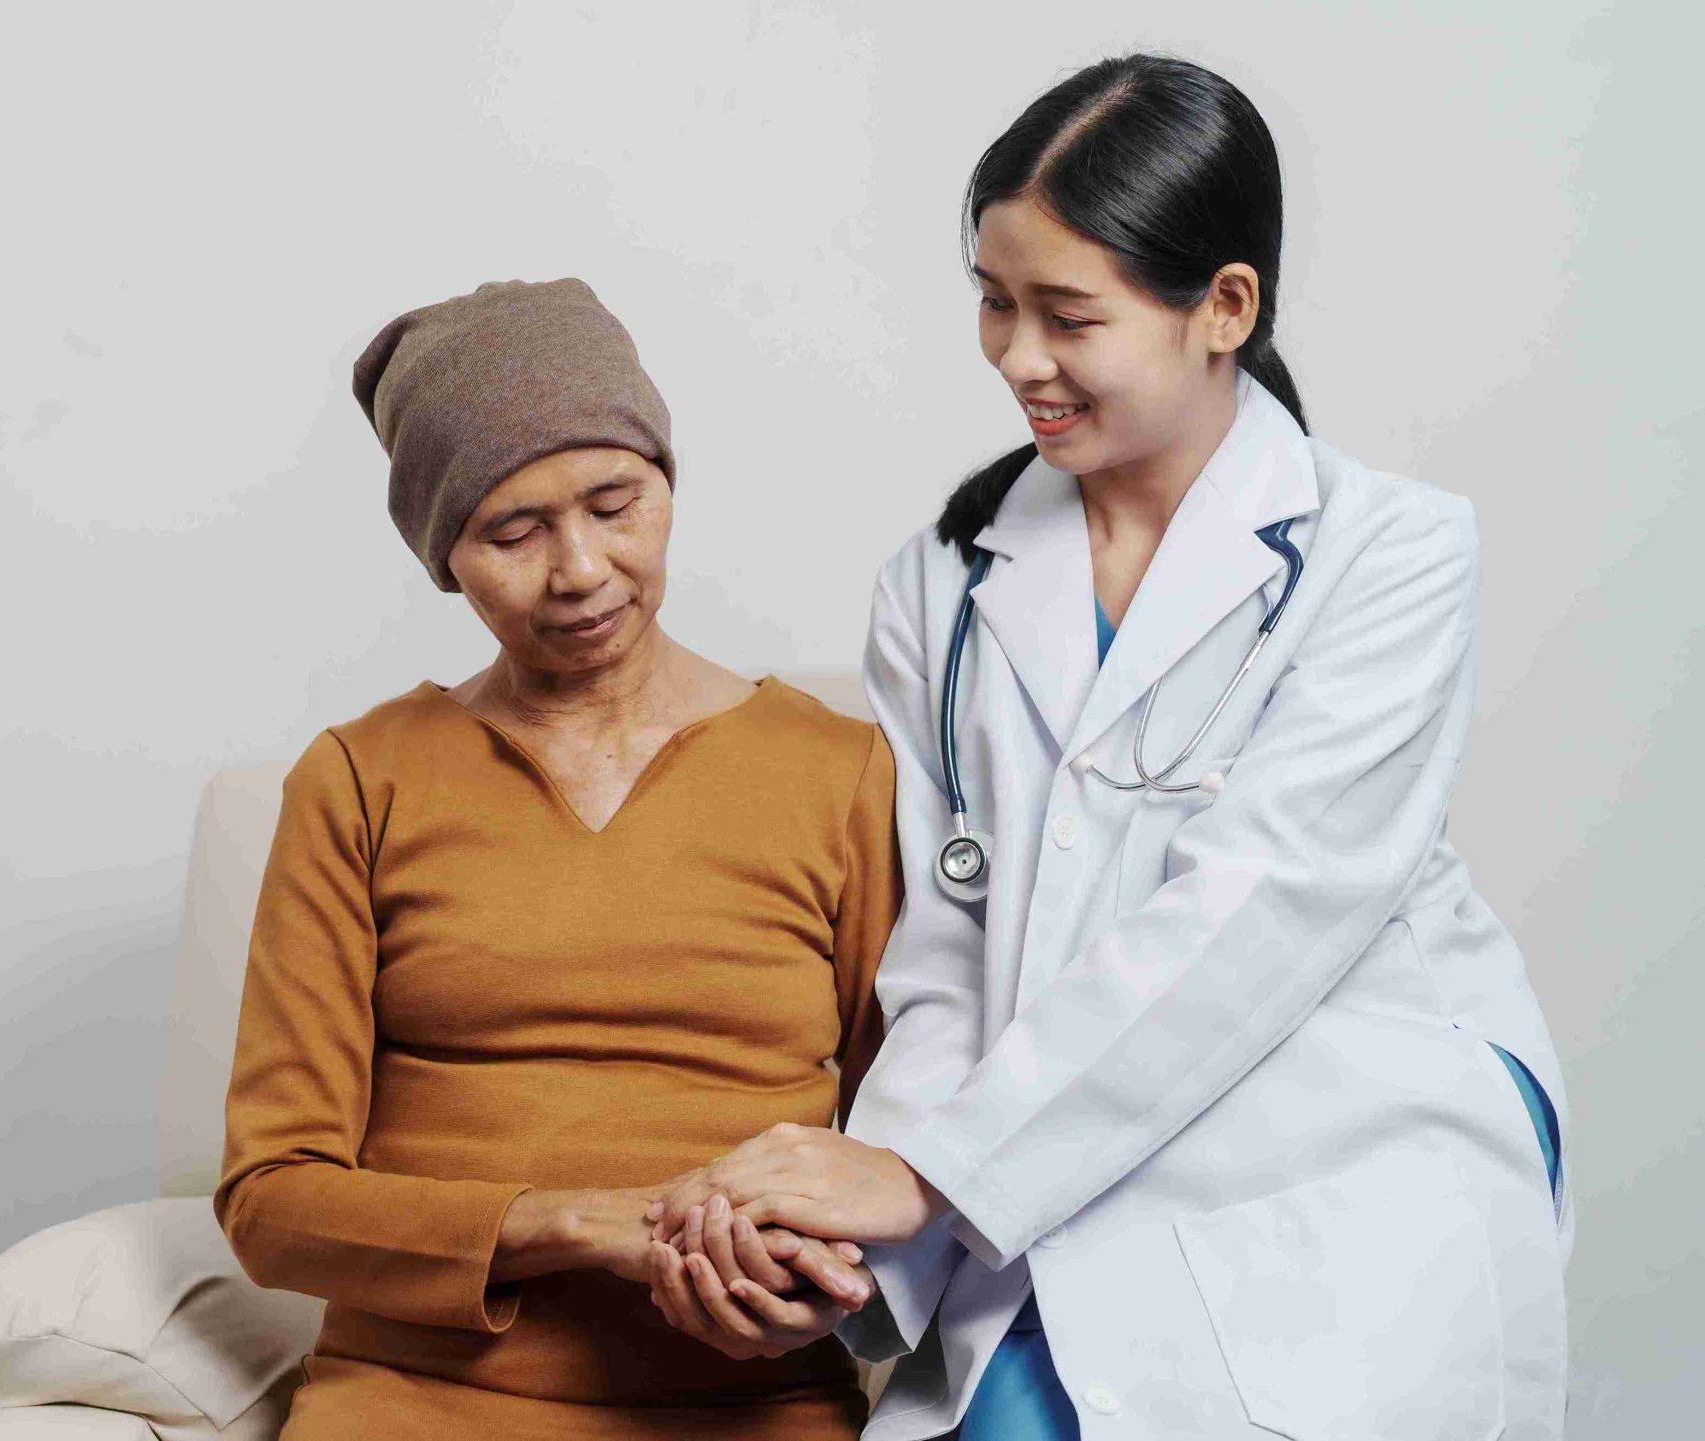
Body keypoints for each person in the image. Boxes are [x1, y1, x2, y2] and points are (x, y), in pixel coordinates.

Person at [652, 55, 1568, 1440]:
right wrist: (854, 1246)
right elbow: (946, 957)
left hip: (1339, 1148)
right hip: (1047, 1157)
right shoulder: (941, 585)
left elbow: (1264, 909)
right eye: (994, 301)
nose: (1018, 357)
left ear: (1225, 308)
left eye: (1067, 315)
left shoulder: (1389, 552)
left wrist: (931, 1177)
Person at [216, 278, 897, 1439]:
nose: (579, 568)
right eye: (513, 531)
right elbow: (270, 1199)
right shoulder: (359, 781)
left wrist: (828, 1285)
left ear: (666, 487)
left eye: (614, 504)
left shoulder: (840, 772)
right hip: (412, 1400)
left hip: (754, 1400)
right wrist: (571, 1224)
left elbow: (915, 1151)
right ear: (445, 554)